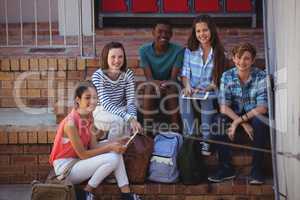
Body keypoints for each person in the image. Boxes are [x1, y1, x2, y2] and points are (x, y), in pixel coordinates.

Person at [49, 81, 142, 200]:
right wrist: (110, 147)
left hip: (78, 161)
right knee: (113, 157)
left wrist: (117, 142)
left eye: (95, 98)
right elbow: (83, 154)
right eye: (87, 98)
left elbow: (93, 146)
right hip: (66, 168)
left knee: (115, 150)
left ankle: (126, 193)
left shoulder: (89, 117)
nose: (92, 101)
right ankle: (86, 192)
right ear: (78, 99)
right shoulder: (70, 124)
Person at [208, 43, 269, 185]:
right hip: (233, 113)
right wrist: (242, 122)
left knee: (261, 122)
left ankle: (257, 171)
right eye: (239, 58)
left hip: (253, 113)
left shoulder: (260, 76)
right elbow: (224, 107)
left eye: (247, 58)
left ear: (253, 60)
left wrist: (237, 122)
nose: (242, 62)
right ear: (234, 59)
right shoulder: (227, 76)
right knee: (218, 120)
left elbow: (262, 108)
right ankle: (226, 168)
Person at [180, 15, 226, 156]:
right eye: (198, 31)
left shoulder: (219, 52)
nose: (202, 34)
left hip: (210, 90)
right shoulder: (190, 51)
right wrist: (187, 86)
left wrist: (209, 87)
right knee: (182, 96)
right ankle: (190, 136)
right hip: (193, 89)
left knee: (206, 100)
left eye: (205, 30)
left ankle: (206, 140)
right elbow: (185, 72)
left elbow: (219, 77)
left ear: (211, 30)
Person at [138, 20, 184, 134]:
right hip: (152, 84)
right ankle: (147, 131)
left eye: (167, 32)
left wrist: (162, 84)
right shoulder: (144, 50)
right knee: (149, 88)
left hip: (171, 85)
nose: (164, 35)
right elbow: (149, 78)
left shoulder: (178, 50)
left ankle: (175, 130)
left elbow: (173, 78)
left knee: (172, 88)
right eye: (160, 31)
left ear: (171, 34)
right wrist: (157, 84)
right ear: (153, 32)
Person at [92, 42, 142, 140]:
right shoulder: (98, 76)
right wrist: (129, 118)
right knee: (119, 121)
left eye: (120, 57)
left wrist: (133, 120)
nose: (117, 60)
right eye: (113, 57)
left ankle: (124, 152)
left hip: (121, 109)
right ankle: (111, 151)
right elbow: (106, 104)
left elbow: (130, 102)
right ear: (106, 58)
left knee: (128, 124)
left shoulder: (128, 74)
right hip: (102, 111)